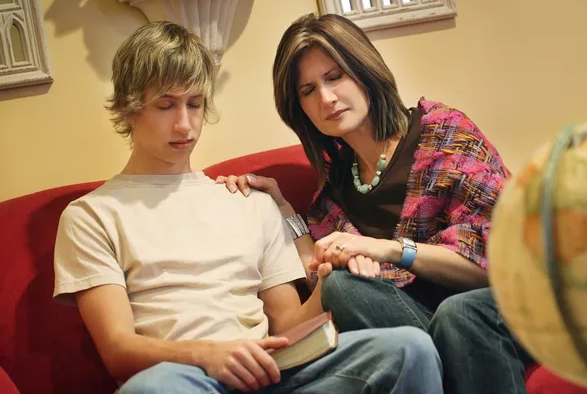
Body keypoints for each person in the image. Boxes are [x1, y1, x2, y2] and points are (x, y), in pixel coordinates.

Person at [52, 21, 444, 394]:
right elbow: (118, 351)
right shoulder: (91, 216)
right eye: (165, 105)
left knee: (409, 347)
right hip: (184, 379)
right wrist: (208, 355)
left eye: (195, 104)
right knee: (150, 388)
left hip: (274, 374)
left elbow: (287, 324)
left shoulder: (248, 202)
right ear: (129, 106)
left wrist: (328, 281)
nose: (185, 126)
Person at [219, 13, 534, 394]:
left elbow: (499, 260)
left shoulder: (444, 133)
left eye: (335, 76)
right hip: (417, 328)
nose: (326, 98)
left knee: (458, 313)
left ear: (363, 68)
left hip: (490, 310)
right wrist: (282, 207)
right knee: (341, 287)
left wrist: (388, 249)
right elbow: (317, 269)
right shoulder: (335, 189)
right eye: (307, 91)